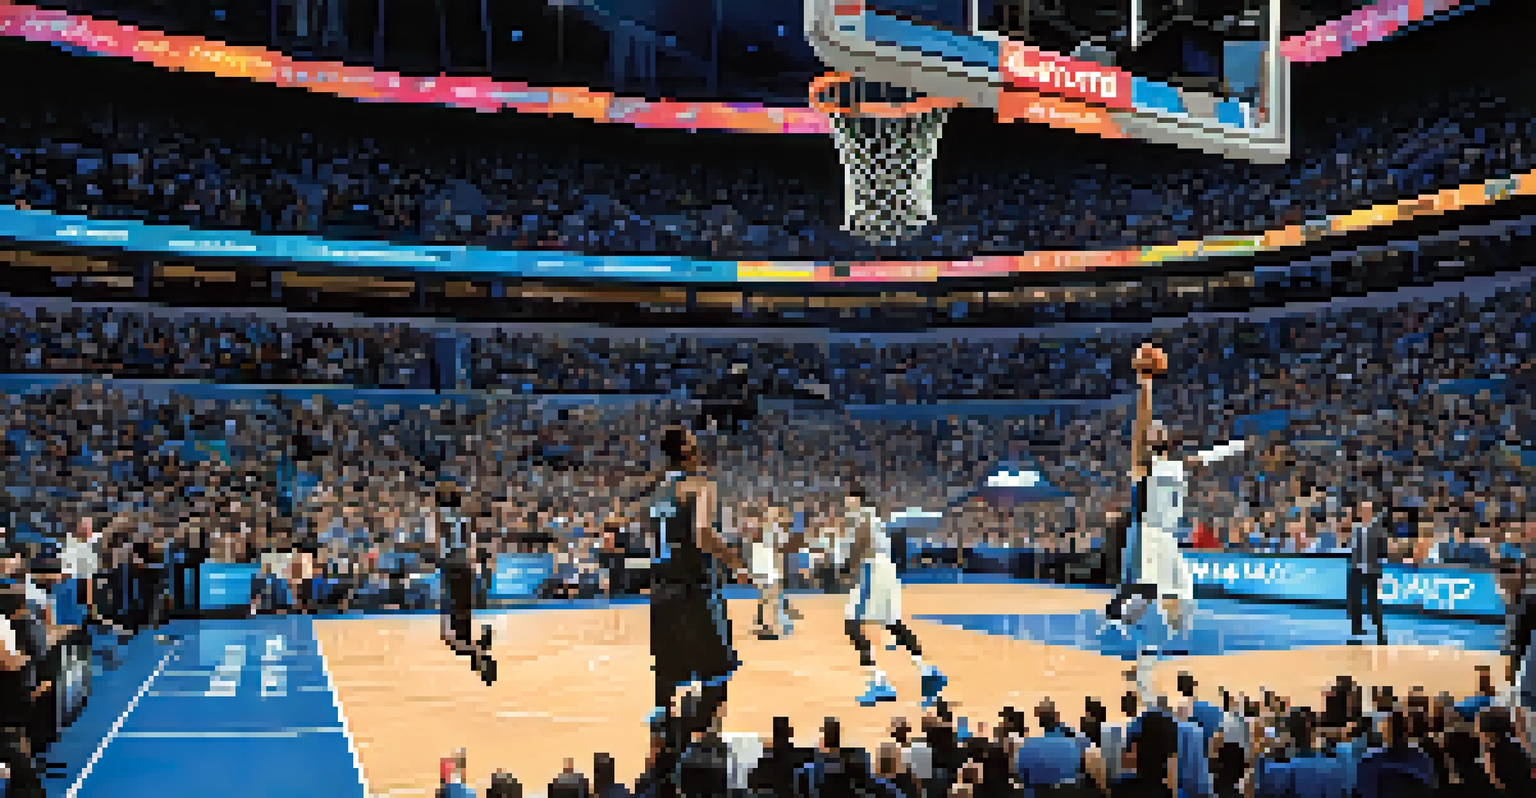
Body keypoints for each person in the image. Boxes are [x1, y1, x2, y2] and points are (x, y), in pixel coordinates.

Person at [639, 426, 746, 793]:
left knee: (667, 682)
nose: (700, 450)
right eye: (695, 445)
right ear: (686, 452)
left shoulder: (654, 493)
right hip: (695, 592)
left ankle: (662, 770)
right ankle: (701, 758)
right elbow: (701, 532)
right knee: (718, 677)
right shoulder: (701, 486)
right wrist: (735, 562)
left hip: (660, 594)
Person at [841, 482, 946, 708]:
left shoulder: (862, 518)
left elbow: (862, 543)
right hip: (885, 571)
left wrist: (846, 567)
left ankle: (880, 682)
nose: (847, 505)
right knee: (893, 624)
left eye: (850, 501)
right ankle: (929, 672)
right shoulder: (871, 518)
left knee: (852, 625)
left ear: (859, 501)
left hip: (873, 570)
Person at [437, 481, 495, 686]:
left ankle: (478, 651)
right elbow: (472, 548)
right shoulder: (464, 520)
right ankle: (479, 655)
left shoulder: (438, 518)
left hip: (451, 570)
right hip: (467, 571)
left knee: (447, 634)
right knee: (462, 629)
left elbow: (435, 545)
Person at [1347, 499, 1387, 646]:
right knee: (1355, 600)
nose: (1365, 513)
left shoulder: (1378, 529)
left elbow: (1383, 549)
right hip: (1356, 569)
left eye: (1368, 510)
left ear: (1371, 512)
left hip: (1372, 570)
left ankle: (1379, 628)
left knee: (1373, 601)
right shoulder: (1355, 529)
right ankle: (1357, 628)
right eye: (1363, 510)